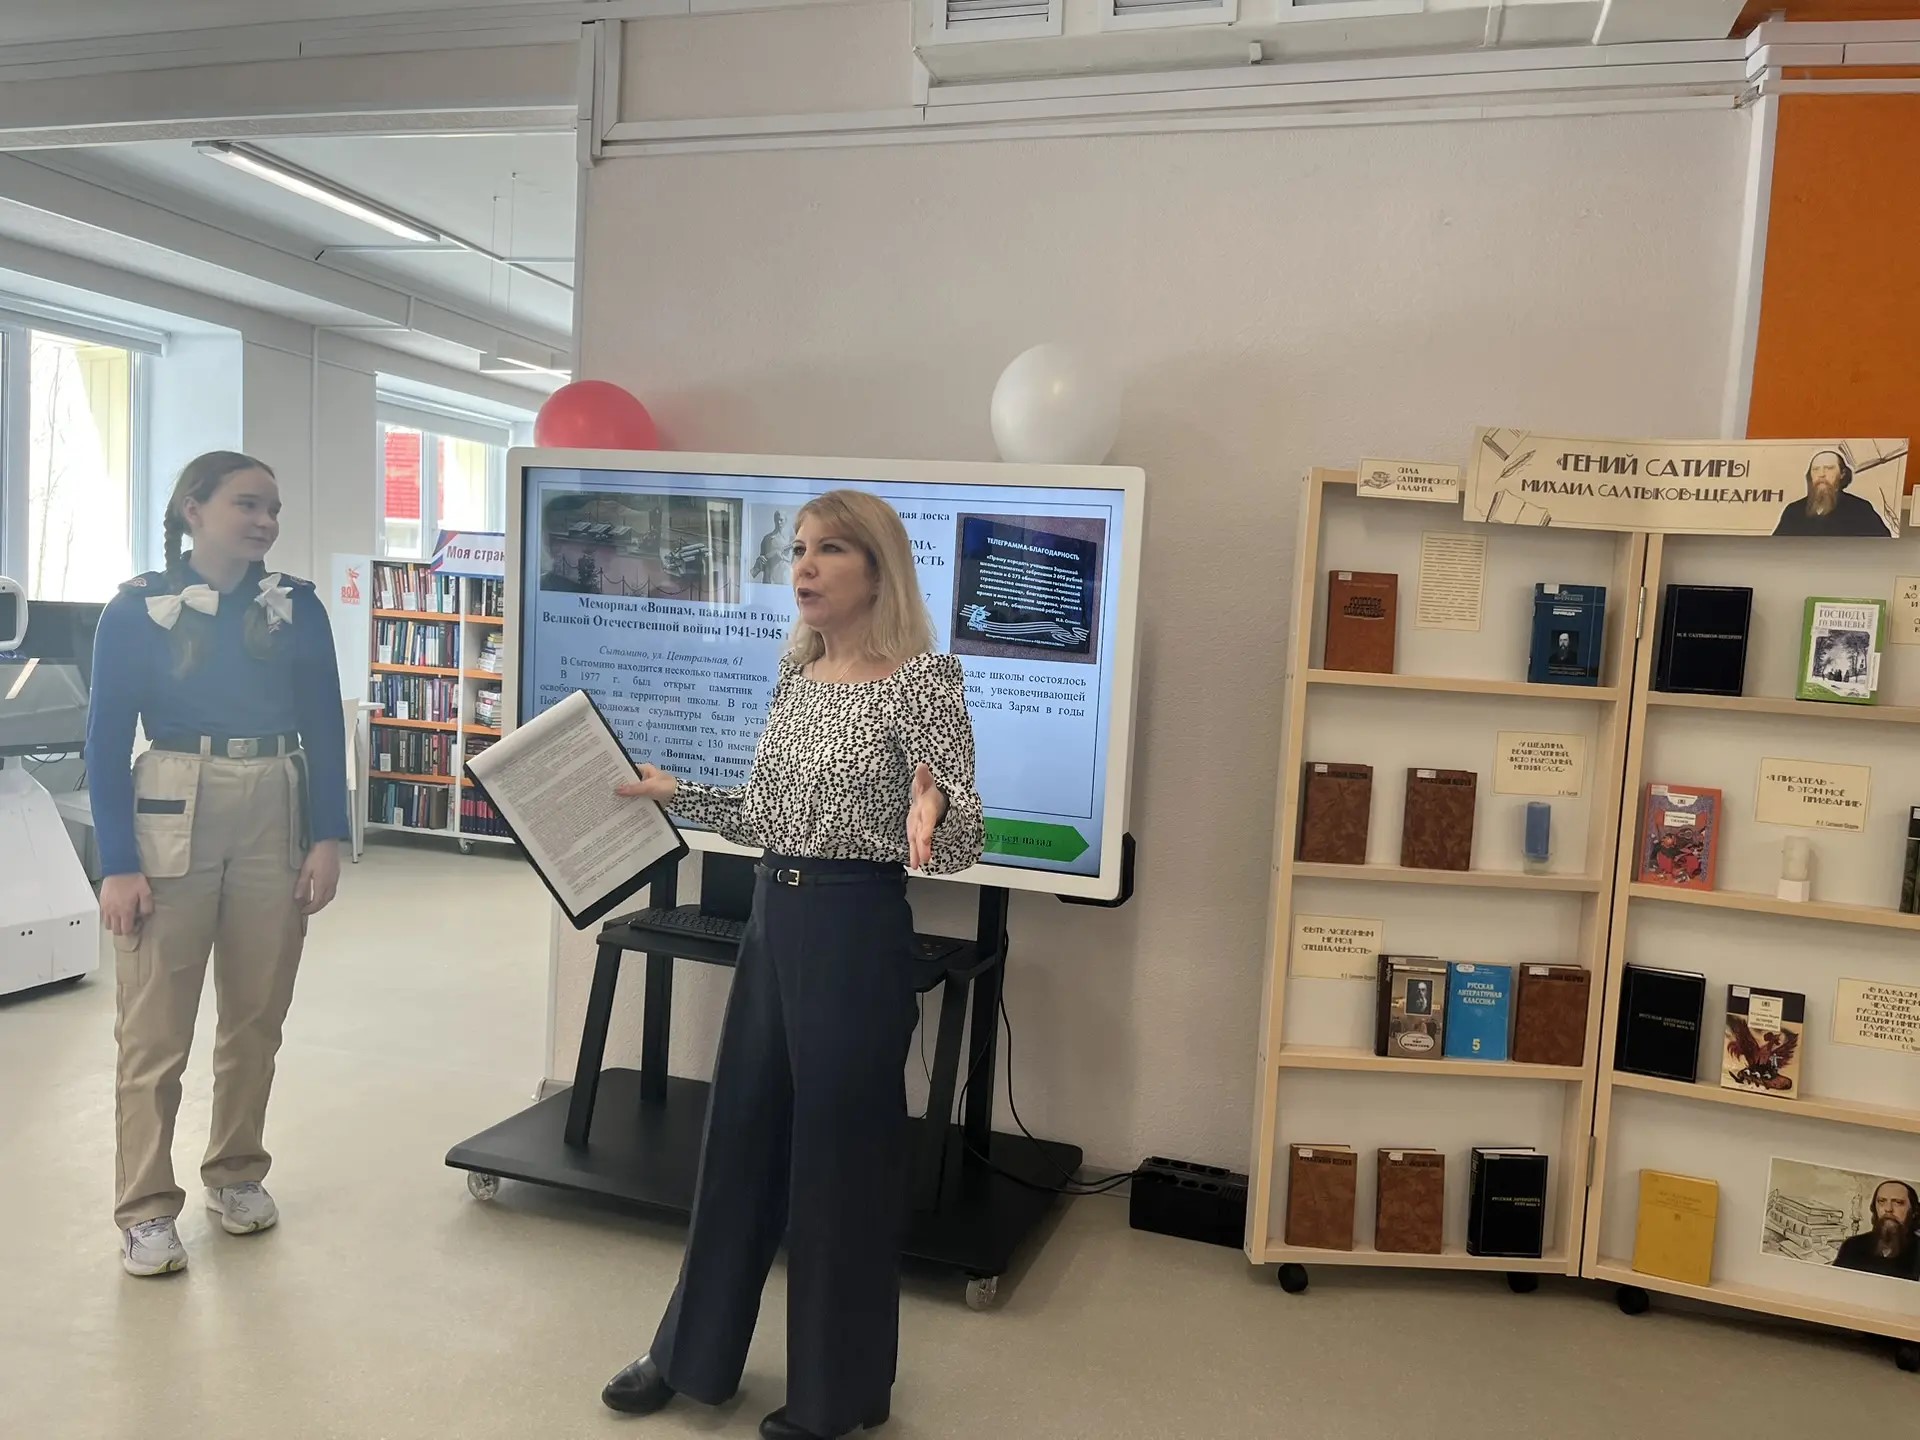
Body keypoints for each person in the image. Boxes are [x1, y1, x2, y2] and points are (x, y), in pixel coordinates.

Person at [601, 489, 984, 1440]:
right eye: (800, 549)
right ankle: (690, 1357)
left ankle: (833, 1396)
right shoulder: (797, 672)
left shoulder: (924, 682)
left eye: (831, 551)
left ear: (879, 571)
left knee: (841, 1163)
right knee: (738, 1142)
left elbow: (962, 831)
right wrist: (680, 793)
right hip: (774, 913)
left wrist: (936, 815)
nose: (804, 567)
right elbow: (770, 813)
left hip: (857, 924)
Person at [85, 451, 350, 1278]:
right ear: (193, 509)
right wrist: (117, 864)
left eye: (274, 508)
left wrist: (328, 835)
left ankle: (236, 1171)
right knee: (155, 1024)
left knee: (257, 1009)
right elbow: (103, 741)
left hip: (276, 797)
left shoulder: (297, 607)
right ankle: (144, 1208)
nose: (266, 521)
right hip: (173, 796)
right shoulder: (136, 609)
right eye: (248, 504)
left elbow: (324, 722)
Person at [1771, 449, 1892, 537]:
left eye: (1828, 468)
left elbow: (1882, 546)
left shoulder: (1860, 509)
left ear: (1842, 473)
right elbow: (1776, 549)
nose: (1821, 474)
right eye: (1816, 469)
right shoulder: (1793, 511)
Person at [1832, 1180, 1920, 1281]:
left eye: (1898, 1202)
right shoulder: (1852, 1245)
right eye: (1881, 1201)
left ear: (1913, 1211)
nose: (1888, 1209)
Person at [751, 510, 792, 586]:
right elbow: (761, 562)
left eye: (781, 520)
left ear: (786, 521)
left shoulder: (790, 539)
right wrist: (762, 559)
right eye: (776, 520)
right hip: (770, 579)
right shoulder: (767, 539)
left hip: (785, 579)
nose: (778, 522)